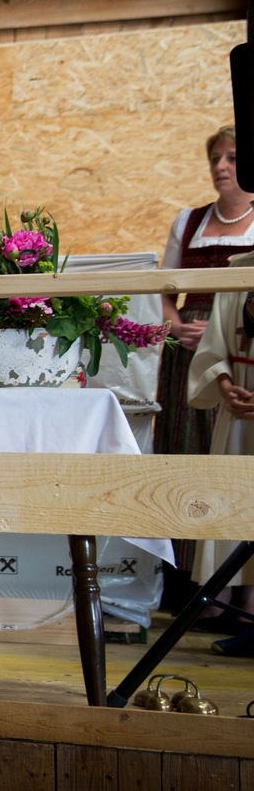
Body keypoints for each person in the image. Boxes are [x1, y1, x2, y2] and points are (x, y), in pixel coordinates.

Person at [156, 124, 254, 609]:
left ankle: (230, 590)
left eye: (233, 158)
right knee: (182, 451)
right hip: (186, 349)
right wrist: (175, 327)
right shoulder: (189, 220)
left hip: (237, 343)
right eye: (216, 157)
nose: (221, 167)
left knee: (228, 457)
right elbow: (163, 289)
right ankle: (183, 583)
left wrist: (216, 331)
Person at [184, 254, 254, 644]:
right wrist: (225, 384)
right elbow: (213, 345)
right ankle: (223, 605)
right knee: (233, 498)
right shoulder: (240, 269)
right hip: (239, 402)